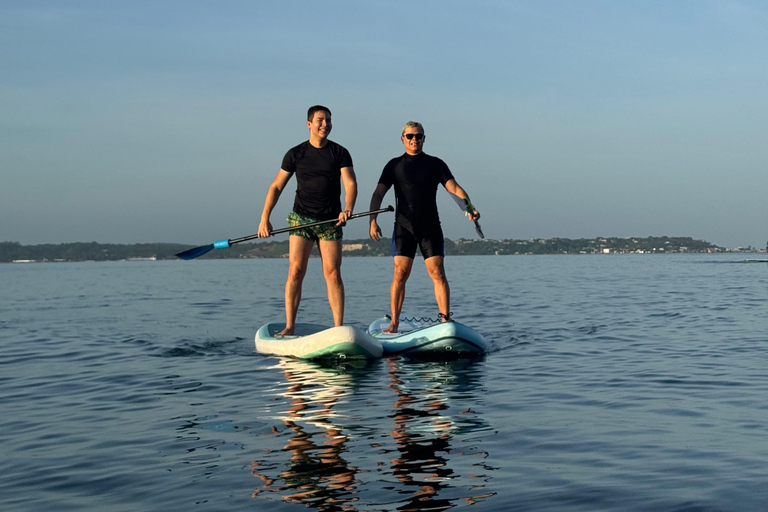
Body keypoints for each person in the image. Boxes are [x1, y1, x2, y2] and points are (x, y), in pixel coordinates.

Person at [369, 121, 480, 333]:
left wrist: (469, 207)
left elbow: (453, 188)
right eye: (410, 136)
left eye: (418, 136)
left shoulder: (435, 164)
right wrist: (372, 220)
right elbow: (378, 194)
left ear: (424, 139)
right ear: (402, 139)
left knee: (437, 272)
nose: (414, 140)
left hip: (430, 226)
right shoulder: (393, 165)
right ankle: (394, 323)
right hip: (404, 227)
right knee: (400, 274)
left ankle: (445, 321)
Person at [259, 106, 357, 337]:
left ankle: (338, 328)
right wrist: (265, 218)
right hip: (301, 219)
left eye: (329, 120)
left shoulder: (340, 152)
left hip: (331, 221)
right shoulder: (296, 154)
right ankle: (290, 326)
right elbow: (276, 186)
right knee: (296, 270)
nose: (325, 124)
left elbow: (350, 183)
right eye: (320, 120)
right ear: (309, 124)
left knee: (332, 273)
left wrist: (348, 208)